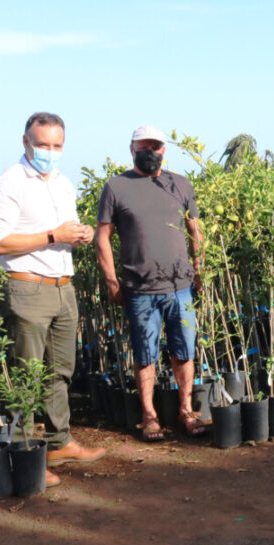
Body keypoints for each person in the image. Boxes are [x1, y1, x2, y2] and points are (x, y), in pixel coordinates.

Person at [0, 112, 105, 488]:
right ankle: (23, 454)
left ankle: (58, 441)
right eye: (43, 145)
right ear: (26, 142)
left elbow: (62, 233)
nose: (50, 152)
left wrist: (78, 233)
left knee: (61, 371)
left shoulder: (63, 184)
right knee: (28, 375)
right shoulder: (9, 184)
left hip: (62, 287)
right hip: (28, 288)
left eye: (56, 146)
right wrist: (54, 235)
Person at [94, 125, 206, 439]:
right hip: (140, 289)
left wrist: (200, 269)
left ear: (163, 151)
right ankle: (149, 415)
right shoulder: (116, 187)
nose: (150, 152)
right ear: (132, 148)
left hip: (180, 287)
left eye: (155, 147)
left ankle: (186, 411)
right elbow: (102, 238)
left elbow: (196, 231)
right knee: (145, 354)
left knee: (184, 351)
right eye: (144, 147)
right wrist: (111, 280)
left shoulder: (180, 184)